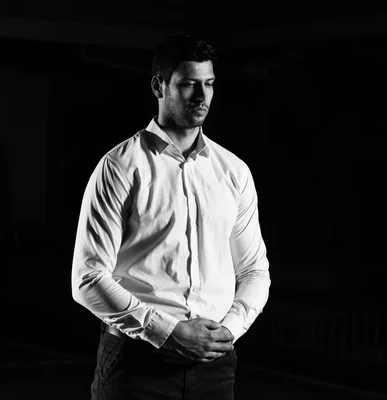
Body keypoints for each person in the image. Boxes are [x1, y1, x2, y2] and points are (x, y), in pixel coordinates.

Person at [71, 33, 271, 400]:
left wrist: (229, 329)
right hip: (137, 364)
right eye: (188, 84)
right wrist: (165, 332)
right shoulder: (119, 167)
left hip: (214, 366)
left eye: (209, 84)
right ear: (158, 86)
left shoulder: (234, 171)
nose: (202, 96)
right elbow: (87, 278)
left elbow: (255, 270)